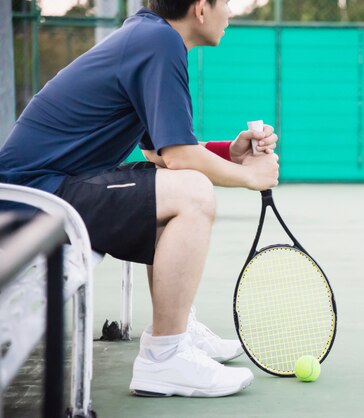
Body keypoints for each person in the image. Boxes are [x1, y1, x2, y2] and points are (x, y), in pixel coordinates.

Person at [0, 0, 279, 397]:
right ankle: (165, 359)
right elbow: (180, 157)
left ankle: (175, 328)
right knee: (193, 191)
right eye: (228, 4)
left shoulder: (148, 37)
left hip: (43, 192)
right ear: (201, 8)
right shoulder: (160, 42)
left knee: (176, 182)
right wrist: (250, 176)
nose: (230, 13)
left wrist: (229, 152)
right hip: (35, 202)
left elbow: (161, 152)